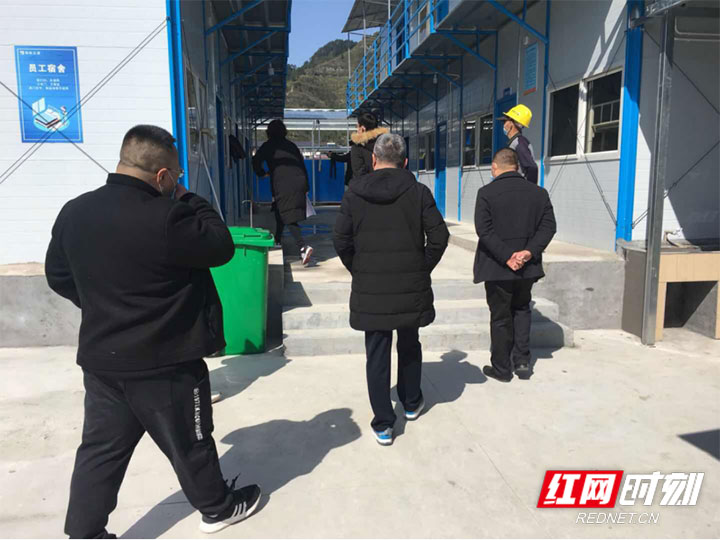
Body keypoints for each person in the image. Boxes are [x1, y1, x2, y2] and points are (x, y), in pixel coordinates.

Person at [45, 125, 261, 538]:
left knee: (100, 451)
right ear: (162, 176)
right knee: (191, 442)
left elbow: (57, 276)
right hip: (167, 361)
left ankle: (84, 532)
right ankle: (218, 508)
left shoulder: (75, 211)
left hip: (104, 361)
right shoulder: (169, 216)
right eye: (176, 175)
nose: (176, 181)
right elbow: (221, 245)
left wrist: (101, 306)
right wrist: (190, 198)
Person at [333, 133, 449, 446]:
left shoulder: (354, 193)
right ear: (405, 162)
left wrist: (359, 269)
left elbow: (340, 240)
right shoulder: (419, 192)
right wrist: (421, 268)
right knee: (409, 343)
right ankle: (411, 402)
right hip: (409, 287)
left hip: (372, 288)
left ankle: (384, 423)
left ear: (373, 159)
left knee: (377, 353)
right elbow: (439, 237)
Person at [473, 148, 556, 383]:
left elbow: (484, 230)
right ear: (517, 167)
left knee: (500, 316)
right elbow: (548, 227)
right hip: (526, 267)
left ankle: (501, 368)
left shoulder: (486, 193)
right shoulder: (539, 193)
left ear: (494, 167)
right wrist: (528, 252)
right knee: (521, 309)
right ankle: (522, 361)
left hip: (497, 266)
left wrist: (507, 256)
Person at [252, 119, 313, 265]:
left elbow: (255, 161)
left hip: (283, 183)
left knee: (288, 215)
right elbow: (301, 164)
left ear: (269, 132)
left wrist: (262, 173)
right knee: (280, 210)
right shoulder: (291, 145)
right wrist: (306, 186)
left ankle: (303, 247)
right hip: (299, 180)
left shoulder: (268, 146)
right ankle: (277, 240)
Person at [498, 104, 538, 184]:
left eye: (505, 121)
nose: (504, 125)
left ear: (511, 123)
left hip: (520, 188)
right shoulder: (514, 142)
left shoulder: (519, 143)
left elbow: (532, 168)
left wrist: (529, 189)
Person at [349, 112, 388, 181]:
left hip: (367, 185)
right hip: (387, 184)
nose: (357, 130)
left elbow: (359, 173)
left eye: (357, 126)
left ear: (363, 128)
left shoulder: (358, 148)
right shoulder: (386, 143)